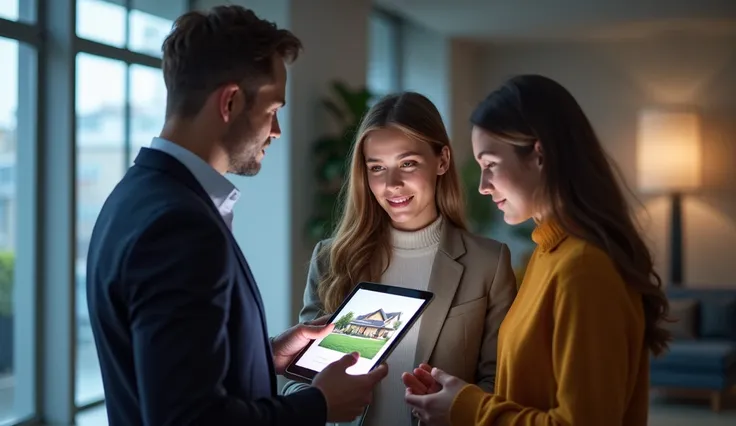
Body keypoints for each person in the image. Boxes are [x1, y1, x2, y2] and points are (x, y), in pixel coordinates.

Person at [85, 5, 387, 426]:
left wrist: (267, 355)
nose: (276, 130)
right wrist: (318, 405)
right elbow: (189, 418)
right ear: (229, 101)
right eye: (272, 110)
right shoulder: (179, 226)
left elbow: (171, 368)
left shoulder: (135, 195)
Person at [402, 74, 671, 426]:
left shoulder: (585, 268)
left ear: (539, 154)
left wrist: (468, 409)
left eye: (491, 165)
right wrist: (457, 397)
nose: (483, 186)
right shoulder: (546, 254)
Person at [282, 92, 518, 426]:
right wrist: (317, 401)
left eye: (407, 164)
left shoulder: (488, 263)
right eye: (377, 167)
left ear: (442, 161)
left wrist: (456, 407)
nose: (391, 184)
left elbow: (500, 384)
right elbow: (297, 380)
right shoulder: (331, 258)